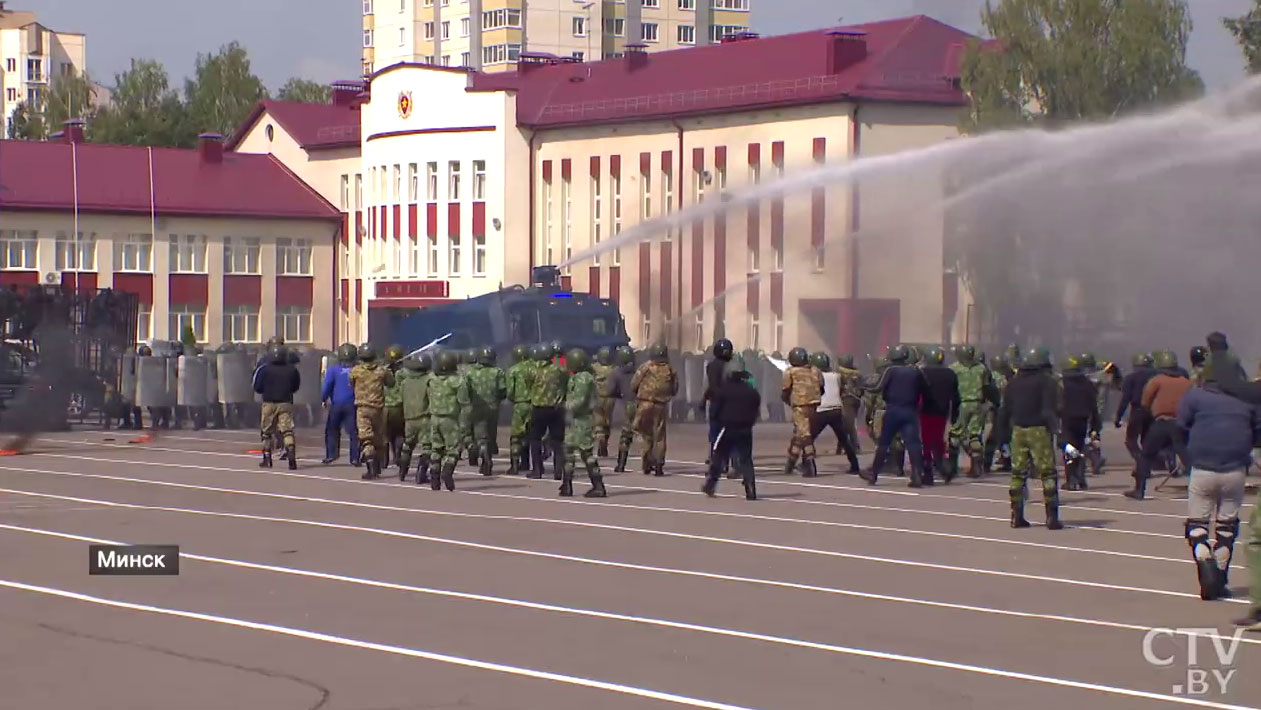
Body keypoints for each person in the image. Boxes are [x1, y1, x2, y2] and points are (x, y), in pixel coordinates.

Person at [1176, 364, 1258, 601]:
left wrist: (1186, 455)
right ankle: (1220, 577)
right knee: (1227, 526)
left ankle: (1205, 561)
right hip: (1235, 469)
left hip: (1202, 467)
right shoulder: (1246, 401)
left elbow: (1180, 426)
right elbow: (1256, 431)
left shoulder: (1195, 396)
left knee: (1196, 524)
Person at [999, 347, 1063, 530]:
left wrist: (1002, 435)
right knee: (1048, 473)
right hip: (1039, 430)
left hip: (1018, 431)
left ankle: (1016, 516)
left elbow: (1005, 411)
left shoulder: (1013, 383)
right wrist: (1056, 430)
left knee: (1018, 473)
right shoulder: (1047, 382)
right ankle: (1052, 517)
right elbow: (1049, 409)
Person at [1127, 350, 1193, 500]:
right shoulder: (1187, 383)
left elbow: (1145, 401)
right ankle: (1197, 488)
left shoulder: (1157, 380)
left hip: (1161, 422)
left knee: (1146, 455)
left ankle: (1139, 489)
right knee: (1185, 455)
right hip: (1180, 423)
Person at [861, 344, 928, 487]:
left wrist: (863, 386)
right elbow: (925, 388)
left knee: (884, 443)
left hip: (893, 410)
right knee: (913, 444)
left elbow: (878, 387)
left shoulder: (890, 370)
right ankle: (917, 475)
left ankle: (874, 474)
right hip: (910, 411)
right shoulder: (915, 372)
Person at [703, 354, 762, 500]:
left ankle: (710, 485)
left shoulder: (724, 390)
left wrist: (717, 419)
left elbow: (716, 409)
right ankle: (751, 488)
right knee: (746, 459)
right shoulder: (751, 392)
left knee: (719, 456)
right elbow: (756, 410)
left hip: (728, 428)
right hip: (745, 429)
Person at [560, 349, 609, 498]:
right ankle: (566, 484)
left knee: (585, 453)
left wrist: (564, 405)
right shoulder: (578, 377)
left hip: (582, 420)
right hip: (574, 421)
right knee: (568, 452)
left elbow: (580, 402)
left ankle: (598, 485)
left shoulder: (584, 378)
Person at [348, 344, 394, 480]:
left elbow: (351, 383)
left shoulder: (355, 371)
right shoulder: (381, 371)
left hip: (362, 409)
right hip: (378, 409)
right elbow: (391, 383)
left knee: (366, 439)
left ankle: (370, 468)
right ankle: (378, 467)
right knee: (379, 438)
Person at [809, 352, 861, 474]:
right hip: (836, 409)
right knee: (844, 439)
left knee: (809, 438)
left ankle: (807, 464)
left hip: (821, 409)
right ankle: (855, 464)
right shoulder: (836, 375)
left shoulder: (814, 376)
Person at [631, 344, 678, 476]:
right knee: (660, 436)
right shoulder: (670, 369)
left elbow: (634, 383)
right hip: (661, 405)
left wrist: (637, 394)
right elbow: (675, 388)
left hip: (645, 404)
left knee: (645, 433)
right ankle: (659, 465)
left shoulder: (646, 366)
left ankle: (646, 461)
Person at [253, 344, 301, 470]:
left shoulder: (264, 369)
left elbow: (257, 387)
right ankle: (291, 458)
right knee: (287, 431)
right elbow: (296, 387)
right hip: (286, 403)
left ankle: (267, 458)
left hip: (269, 403)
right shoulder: (292, 370)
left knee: (266, 432)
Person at [426, 350, 468, 491]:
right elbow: (464, 402)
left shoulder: (431, 379)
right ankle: (447, 472)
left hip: (434, 418)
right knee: (454, 449)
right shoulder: (458, 381)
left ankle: (434, 479)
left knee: (436, 448)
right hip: (450, 419)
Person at [1058, 355, 1101, 492]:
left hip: (1067, 420)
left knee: (1068, 449)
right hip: (1083, 420)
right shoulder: (1088, 384)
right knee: (1080, 449)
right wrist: (1095, 425)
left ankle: (1071, 480)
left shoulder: (1061, 384)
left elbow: (1056, 404)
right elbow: (1094, 406)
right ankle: (1080, 478)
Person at [781, 347, 824, 477]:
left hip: (800, 405)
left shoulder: (790, 372)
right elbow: (822, 388)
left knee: (804, 436)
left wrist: (788, 401)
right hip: (814, 404)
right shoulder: (815, 371)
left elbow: (785, 390)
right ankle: (790, 464)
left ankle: (810, 465)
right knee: (799, 435)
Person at [948, 344, 989, 478]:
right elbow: (987, 386)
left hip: (962, 404)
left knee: (955, 435)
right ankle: (976, 467)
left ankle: (952, 467)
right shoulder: (981, 368)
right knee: (975, 436)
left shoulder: (954, 368)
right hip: (978, 404)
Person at [920, 347, 959, 484]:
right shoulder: (950, 374)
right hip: (942, 412)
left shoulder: (922, 373)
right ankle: (944, 468)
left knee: (925, 443)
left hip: (925, 411)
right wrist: (954, 414)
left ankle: (928, 471)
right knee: (937, 441)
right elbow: (955, 397)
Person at [528, 344, 567, 481]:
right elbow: (565, 384)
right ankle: (558, 471)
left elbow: (528, 386)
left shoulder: (533, 371)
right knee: (557, 441)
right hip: (556, 409)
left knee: (535, 439)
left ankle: (537, 470)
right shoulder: (560, 370)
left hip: (539, 408)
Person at [466, 346, 507, 475]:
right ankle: (487, 462)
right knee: (490, 434)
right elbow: (503, 390)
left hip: (476, 407)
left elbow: (465, 391)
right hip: (493, 408)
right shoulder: (498, 372)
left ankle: (483, 454)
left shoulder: (470, 373)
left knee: (480, 436)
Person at [1116, 353, 1157, 472]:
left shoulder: (1131, 378)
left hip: (1138, 410)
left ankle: (1141, 463)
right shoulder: (1156, 376)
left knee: (1131, 440)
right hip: (1153, 411)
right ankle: (1147, 464)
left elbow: (1125, 398)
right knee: (1147, 440)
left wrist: (1118, 416)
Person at [321, 343, 359, 465]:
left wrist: (323, 399)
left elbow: (327, 386)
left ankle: (331, 454)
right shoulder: (358, 370)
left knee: (332, 430)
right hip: (352, 404)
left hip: (336, 404)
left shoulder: (333, 370)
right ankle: (355, 457)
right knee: (354, 432)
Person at [397, 354, 433, 484]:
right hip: (424, 418)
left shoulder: (405, 382)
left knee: (408, 445)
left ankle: (402, 472)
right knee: (427, 447)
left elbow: (400, 398)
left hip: (409, 419)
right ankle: (421, 474)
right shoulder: (429, 380)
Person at [504, 345, 536, 475]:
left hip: (520, 404)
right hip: (535, 405)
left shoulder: (513, 370)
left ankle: (515, 465)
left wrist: (515, 399)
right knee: (531, 435)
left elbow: (510, 391)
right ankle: (528, 462)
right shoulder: (536, 368)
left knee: (516, 436)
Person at [703, 339, 735, 467]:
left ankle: (717, 460)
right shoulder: (734, 365)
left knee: (716, 433)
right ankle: (730, 461)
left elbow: (712, 386)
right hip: (731, 402)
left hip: (717, 402)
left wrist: (704, 399)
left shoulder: (712, 366)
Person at [608, 346, 639, 473]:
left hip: (628, 404)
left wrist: (618, 395)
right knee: (648, 435)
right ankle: (652, 463)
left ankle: (621, 464)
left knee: (626, 435)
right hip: (641, 403)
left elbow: (610, 391)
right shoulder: (639, 371)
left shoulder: (616, 373)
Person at [382, 345, 407, 468]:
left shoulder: (381, 372)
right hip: (400, 407)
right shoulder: (405, 374)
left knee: (385, 435)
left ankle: (384, 459)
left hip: (385, 407)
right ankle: (398, 455)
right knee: (399, 434)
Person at [835, 354, 864, 455]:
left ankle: (855, 447)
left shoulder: (840, 373)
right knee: (845, 424)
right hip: (856, 400)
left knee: (848, 425)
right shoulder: (857, 374)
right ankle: (841, 447)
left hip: (846, 400)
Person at [591, 346, 616, 457]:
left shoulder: (595, 368)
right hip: (610, 398)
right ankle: (604, 441)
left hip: (597, 397)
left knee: (598, 421)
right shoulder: (613, 368)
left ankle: (600, 437)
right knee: (607, 420)